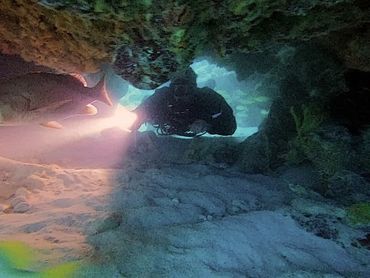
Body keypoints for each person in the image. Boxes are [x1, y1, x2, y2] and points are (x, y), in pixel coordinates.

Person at [131, 68, 236, 137]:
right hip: (166, 124)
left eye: (186, 87)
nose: (180, 92)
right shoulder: (162, 96)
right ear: (171, 87)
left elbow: (230, 127)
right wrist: (140, 117)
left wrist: (209, 126)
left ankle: (209, 83)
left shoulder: (207, 97)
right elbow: (133, 119)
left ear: (194, 88)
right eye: (176, 87)